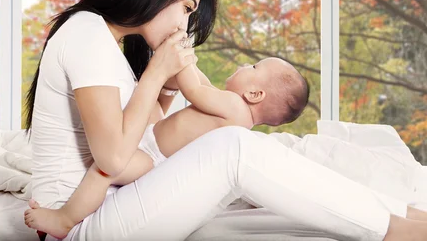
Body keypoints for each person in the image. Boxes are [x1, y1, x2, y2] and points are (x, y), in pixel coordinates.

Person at [25, 0, 427, 241]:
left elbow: (142, 130)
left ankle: (415, 217)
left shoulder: (110, 45)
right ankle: (401, 230)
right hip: (84, 221)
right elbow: (111, 158)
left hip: (115, 198)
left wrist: (158, 85)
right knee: (238, 148)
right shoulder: (87, 32)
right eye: (186, 7)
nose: (186, 24)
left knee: (276, 158)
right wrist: (157, 74)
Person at [24, 56, 310, 239]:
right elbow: (204, 85)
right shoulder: (236, 117)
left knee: (106, 169)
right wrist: (189, 60)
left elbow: (195, 90)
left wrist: (181, 58)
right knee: (142, 101)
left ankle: (65, 218)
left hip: (152, 158)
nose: (244, 65)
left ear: (254, 94)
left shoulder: (234, 107)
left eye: (254, 67)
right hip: (152, 139)